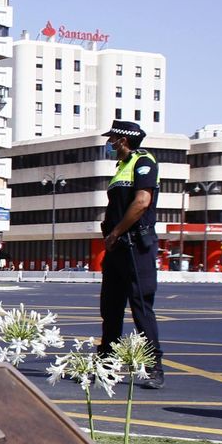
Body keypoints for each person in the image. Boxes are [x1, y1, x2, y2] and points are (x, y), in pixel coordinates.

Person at [97, 119, 164, 388]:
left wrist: (116, 233)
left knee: (141, 308)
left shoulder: (143, 161)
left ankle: (153, 367)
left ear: (122, 141)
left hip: (136, 246)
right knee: (110, 307)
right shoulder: (121, 167)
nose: (110, 144)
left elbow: (142, 202)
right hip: (117, 248)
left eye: (112, 139)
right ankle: (106, 364)